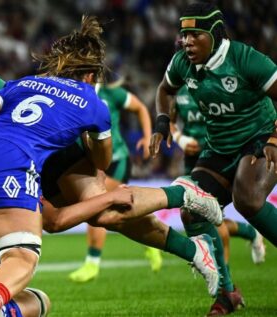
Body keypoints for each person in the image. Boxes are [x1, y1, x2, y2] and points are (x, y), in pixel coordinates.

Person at [0, 16, 224, 317]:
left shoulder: (19, 83)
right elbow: (99, 164)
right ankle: (193, 240)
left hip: (26, 157)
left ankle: (184, 201)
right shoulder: (91, 102)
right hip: (20, 159)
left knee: (102, 213)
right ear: (91, 74)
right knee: (76, 217)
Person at [150, 2, 277, 315]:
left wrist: (274, 137)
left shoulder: (246, 59)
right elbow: (165, 90)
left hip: (260, 137)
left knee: (246, 198)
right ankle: (226, 293)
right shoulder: (181, 63)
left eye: (195, 34)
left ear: (215, 35)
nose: (187, 41)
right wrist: (163, 121)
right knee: (192, 212)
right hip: (218, 147)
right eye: (184, 35)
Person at [69, 79, 161, 283]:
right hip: (93, 162)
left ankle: (92, 263)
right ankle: (150, 238)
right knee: (114, 210)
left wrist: (147, 137)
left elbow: (139, 108)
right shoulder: (72, 94)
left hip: (116, 159)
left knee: (95, 206)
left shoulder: (112, 93)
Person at [171, 85, 266, 264]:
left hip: (216, 156)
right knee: (199, 217)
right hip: (191, 159)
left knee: (213, 220)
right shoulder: (179, 92)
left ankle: (225, 280)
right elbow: (170, 121)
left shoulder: (215, 84)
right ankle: (250, 233)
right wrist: (180, 139)